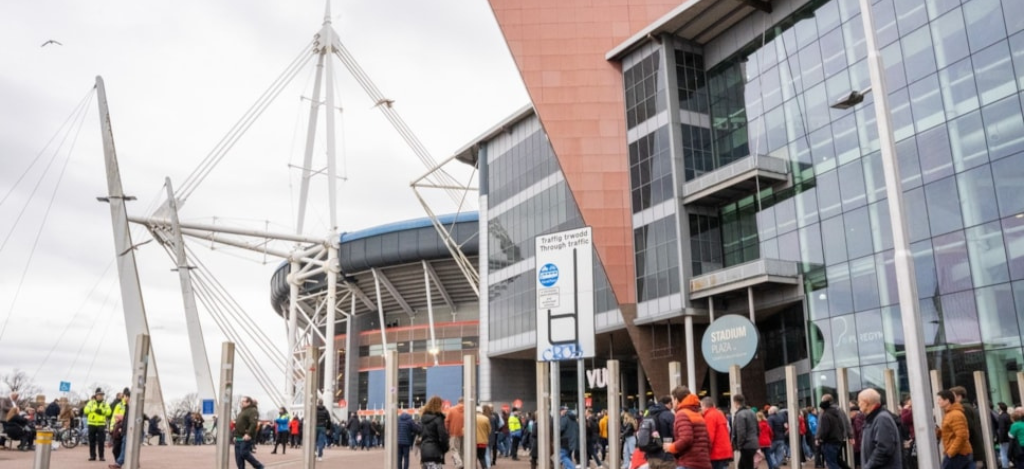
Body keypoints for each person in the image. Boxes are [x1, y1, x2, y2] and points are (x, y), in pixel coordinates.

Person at [660, 386, 710, 469]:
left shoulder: (682, 414)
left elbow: (686, 438)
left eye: (673, 400)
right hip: (703, 462)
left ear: (676, 400)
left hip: (688, 463)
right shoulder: (698, 414)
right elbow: (708, 441)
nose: (672, 403)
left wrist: (671, 447)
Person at [857, 389, 900, 469]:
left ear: (866, 403)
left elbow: (884, 449)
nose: (858, 405)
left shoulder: (882, 418)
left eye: (859, 401)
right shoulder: (872, 418)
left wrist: (868, 466)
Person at [950, 387, 984, 469]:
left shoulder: (963, 408)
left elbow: (967, 428)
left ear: (959, 396)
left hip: (968, 449)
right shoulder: (968, 407)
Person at [937, 389, 972, 469]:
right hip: (958, 453)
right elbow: (951, 432)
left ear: (947, 401)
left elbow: (962, 435)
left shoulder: (955, 414)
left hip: (958, 453)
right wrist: (939, 432)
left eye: (940, 399)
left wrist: (951, 452)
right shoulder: (950, 414)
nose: (938, 402)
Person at [700, 397, 732, 469]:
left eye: (701, 406)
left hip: (716, 453)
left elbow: (709, 437)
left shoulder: (709, 417)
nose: (701, 408)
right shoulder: (719, 414)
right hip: (723, 451)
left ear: (705, 406)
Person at [817, 396, 849, 469]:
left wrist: (821, 438)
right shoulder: (837, 413)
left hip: (829, 442)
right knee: (837, 460)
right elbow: (844, 424)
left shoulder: (825, 415)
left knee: (831, 463)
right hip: (838, 440)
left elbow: (824, 429)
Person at [420, 396, 451, 469]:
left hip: (424, 451)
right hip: (435, 452)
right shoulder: (438, 419)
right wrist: (445, 448)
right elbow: (443, 437)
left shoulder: (423, 418)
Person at [233, 396, 264, 469]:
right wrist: (235, 435)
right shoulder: (242, 411)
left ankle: (259, 466)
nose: (241, 403)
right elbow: (238, 424)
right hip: (238, 437)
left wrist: (248, 434)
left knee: (244, 452)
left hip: (246, 437)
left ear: (248, 402)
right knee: (238, 457)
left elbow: (253, 423)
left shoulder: (253, 411)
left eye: (243, 401)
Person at [84, 388, 112, 461]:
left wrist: (102, 411)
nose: (101, 396)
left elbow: (109, 412)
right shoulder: (91, 402)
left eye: (102, 395)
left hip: (101, 424)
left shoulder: (105, 403)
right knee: (92, 440)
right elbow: (86, 410)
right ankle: (92, 456)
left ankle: (101, 456)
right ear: (96, 395)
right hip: (92, 423)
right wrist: (94, 410)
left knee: (101, 441)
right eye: (99, 395)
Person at [731, 395, 759, 469]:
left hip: (746, 445)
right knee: (743, 466)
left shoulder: (740, 415)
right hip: (753, 443)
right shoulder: (752, 412)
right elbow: (757, 428)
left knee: (746, 466)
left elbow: (741, 431)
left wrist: (739, 444)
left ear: (736, 402)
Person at [447, 398, 466, 468]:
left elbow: (447, 421)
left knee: (454, 449)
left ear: (458, 402)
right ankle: (463, 463)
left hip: (454, 432)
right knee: (462, 450)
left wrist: (448, 431)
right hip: (465, 433)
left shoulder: (452, 410)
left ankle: (458, 463)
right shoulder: (468, 410)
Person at [849, 403, 866, 468]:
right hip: (859, 445)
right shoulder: (859, 418)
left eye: (850, 413)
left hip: (858, 445)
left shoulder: (857, 419)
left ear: (854, 412)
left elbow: (860, 431)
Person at [997, 403, 1012, 469]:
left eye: (998, 408)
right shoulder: (1009, 415)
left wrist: (1001, 440)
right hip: (1009, 438)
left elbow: (1002, 429)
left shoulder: (1001, 417)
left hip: (1004, 439)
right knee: (1008, 453)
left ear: (1000, 408)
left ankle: (1005, 466)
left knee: (1003, 454)